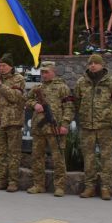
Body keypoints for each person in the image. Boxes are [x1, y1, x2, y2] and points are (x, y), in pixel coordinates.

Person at [74, 54, 112, 200]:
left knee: (106, 157)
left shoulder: (111, 82)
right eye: (90, 63)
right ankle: (89, 187)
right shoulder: (81, 82)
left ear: (102, 65)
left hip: (105, 127)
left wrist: (107, 115)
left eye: (96, 63)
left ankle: (105, 188)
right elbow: (77, 102)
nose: (93, 65)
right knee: (88, 157)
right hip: (87, 126)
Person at [25, 61, 74, 196]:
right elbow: (26, 100)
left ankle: (59, 186)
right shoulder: (37, 88)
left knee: (58, 158)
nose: (44, 75)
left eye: (46, 72)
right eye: (42, 72)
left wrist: (65, 124)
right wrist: (34, 104)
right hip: (39, 128)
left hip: (55, 128)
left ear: (53, 72)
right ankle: (38, 185)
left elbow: (69, 107)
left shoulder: (62, 88)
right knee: (37, 157)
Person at [0, 54, 27, 192]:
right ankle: (1, 180)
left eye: (4, 65)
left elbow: (15, 97)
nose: (1, 68)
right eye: (0, 65)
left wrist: (0, 85)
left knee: (13, 153)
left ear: (11, 67)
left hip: (13, 121)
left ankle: (13, 182)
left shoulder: (18, 79)